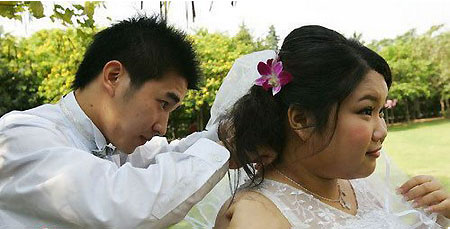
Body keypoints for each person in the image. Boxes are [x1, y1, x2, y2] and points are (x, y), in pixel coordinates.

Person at [209, 25, 450, 228]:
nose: (382, 131)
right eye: (366, 111)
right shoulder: (256, 215)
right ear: (302, 120)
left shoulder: (360, 186)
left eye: (381, 112)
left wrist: (433, 216)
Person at [0, 16, 230, 228]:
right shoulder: (21, 136)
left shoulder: (112, 146)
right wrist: (222, 151)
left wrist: (225, 136)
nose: (162, 127)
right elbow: (122, 203)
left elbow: (169, 153)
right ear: (113, 76)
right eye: (162, 104)